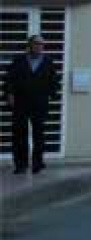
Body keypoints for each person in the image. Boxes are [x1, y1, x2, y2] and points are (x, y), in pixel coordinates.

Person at [4, 36, 59, 175]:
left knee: (38, 134)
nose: (39, 47)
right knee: (19, 134)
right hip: (21, 103)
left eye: (41, 44)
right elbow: (9, 79)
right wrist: (10, 94)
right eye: (36, 44)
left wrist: (51, 95)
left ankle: (37, 163)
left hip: (39, 103)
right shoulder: (19, 60)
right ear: (29, 45)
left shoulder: (48, 62)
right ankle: (20, 165)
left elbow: (54, 80)